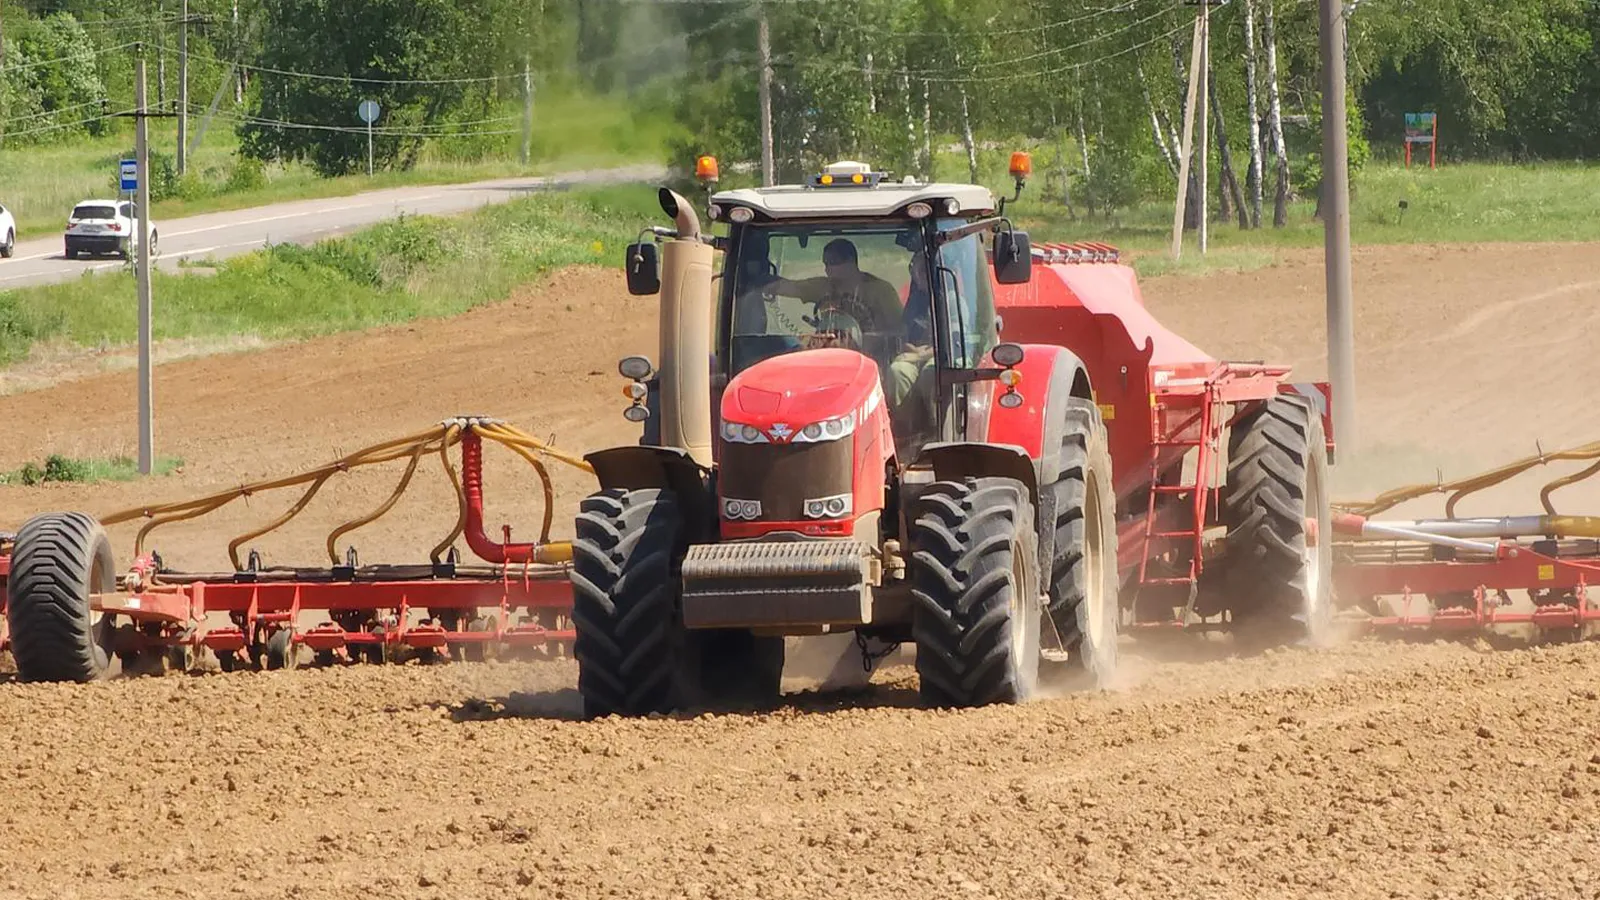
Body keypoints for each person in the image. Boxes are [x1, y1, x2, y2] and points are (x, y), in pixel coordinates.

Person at [764, 238, 904, 337]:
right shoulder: (821, 286)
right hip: (830, 354)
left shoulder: (881, 290)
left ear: (851, 261)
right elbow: (790, 287)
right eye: (826, 264)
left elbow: (899, 330)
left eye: (833, 263)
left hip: (872, 358)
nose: (828, 269)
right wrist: (761, 281)